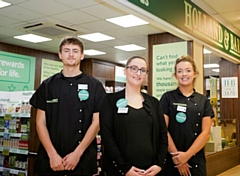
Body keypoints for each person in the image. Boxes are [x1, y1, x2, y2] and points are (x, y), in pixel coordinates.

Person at [30, 36, 106, 176]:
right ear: (60, 55)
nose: (71, 55)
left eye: (75, 51)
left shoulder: (94, 86)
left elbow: (97, 122)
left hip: (82, 159)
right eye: (66, 50)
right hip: (51, 160)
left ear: (82, 55)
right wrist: (52, 155)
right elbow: (40, 123)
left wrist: (77, 153)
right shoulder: (48, 85)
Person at [100, 56, 168, 176]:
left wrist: (159, 164)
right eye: (134, 68)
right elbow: (107, 136)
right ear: (125, 71)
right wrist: (124, 168)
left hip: (150, 170)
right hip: (120, 170)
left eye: (142, 70)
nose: (138, 73)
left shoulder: (153, 103)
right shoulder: (110, 101)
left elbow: (162, 135)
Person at [159, 55, 214, 176]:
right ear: (175, 75)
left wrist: (187, 155)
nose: (184, 74)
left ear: (195, 74)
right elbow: (163, 130)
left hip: (196, 159)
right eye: (180, 71)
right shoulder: (167, 98)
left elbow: (206, 133)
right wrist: (178, 158)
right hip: (172, 159)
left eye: (188, 70)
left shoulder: (203, 100)